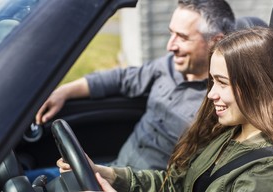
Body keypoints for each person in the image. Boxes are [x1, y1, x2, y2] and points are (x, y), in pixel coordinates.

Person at [60, 27, 273, 192]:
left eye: (222, 83)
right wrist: (107, 174)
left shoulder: (269, 171)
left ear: (258, 88)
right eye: (212, 81)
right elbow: (176, 187)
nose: (210, 94)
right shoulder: (230, 134)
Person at [34, 0, 235, 172]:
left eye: (182, 38)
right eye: (171, 34)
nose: (170, 46)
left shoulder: (222, 101)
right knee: (25, 184)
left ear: (215, 42)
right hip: (112, 170)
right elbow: (121, 78)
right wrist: (63, 92)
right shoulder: (167, 65)